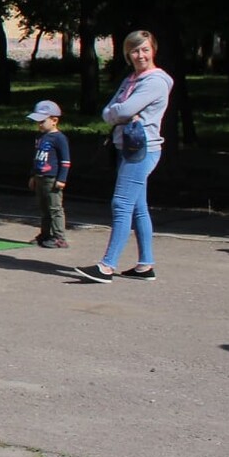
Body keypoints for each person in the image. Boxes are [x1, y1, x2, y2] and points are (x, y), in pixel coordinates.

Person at [72, 30, 172, 283]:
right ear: (128, 54)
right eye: (135, 51)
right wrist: (120, 112)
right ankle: (145, 265)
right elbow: (110, 112)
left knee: (121, 204)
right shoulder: (131, 80)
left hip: (142, 149)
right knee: (138, 208)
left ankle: (107, 266)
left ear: (154, 50)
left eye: (145, 49)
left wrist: (120, 112)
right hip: (126, 147)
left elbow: (122, 109)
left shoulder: (155, 81)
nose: (140, 55)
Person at [27, 100, 71, 249]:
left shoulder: (59, 138)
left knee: (55, 208)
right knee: (44, 208)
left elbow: (65, 161)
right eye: (37, 122)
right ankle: (44, 234)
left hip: (52, 178)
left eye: (42, 121)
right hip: (40, 177)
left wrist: (62, 179)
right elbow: (36, 158)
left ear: (54, 120)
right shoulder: (40, 137)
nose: (39, 125)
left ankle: (59, 237)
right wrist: (33, 175)